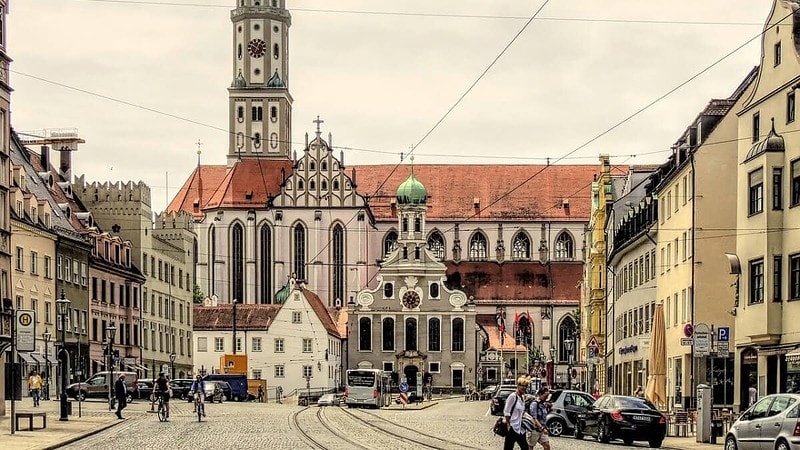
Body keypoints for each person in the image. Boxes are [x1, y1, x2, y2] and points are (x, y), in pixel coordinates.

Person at [503, 377, 530, 450]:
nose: (524, 387)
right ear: (518, 385)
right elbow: (506, 411)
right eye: (522, 385)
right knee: (508, 448)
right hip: (512, 428)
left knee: (525, 448)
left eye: (526, 386)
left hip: (520, 428)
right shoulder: (512, 396)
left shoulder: (522, 398)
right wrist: (508, 424)